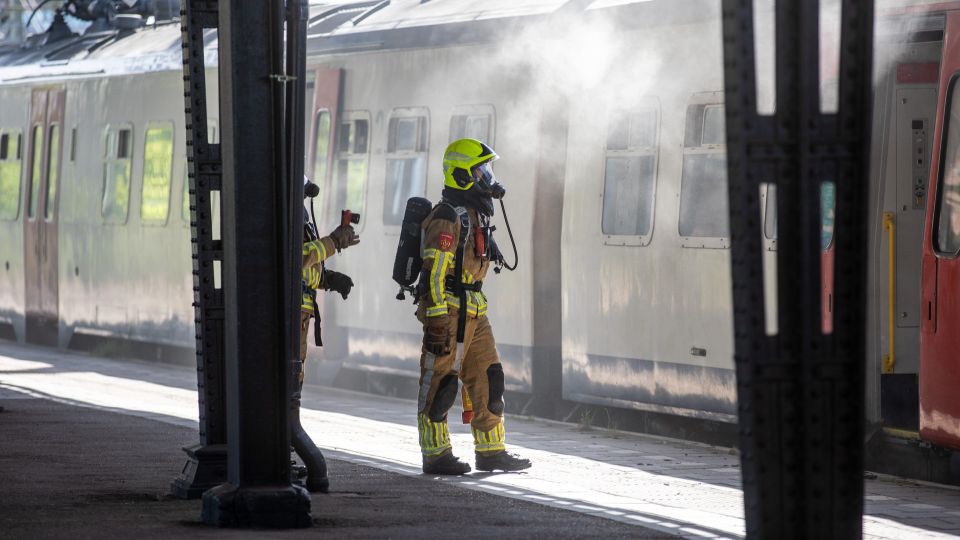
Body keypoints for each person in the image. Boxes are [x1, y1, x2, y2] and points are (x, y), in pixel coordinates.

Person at [416, 138, 531, 474]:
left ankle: (491, 451)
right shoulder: (446, 217)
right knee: (439, 384)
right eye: (481, 170)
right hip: (448, 311)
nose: (487, 177)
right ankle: (436, 454)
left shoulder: (475, 215)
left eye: (487, 170)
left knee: (489, 378)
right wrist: (437, 319)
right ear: (462, 175)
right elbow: (433, 273)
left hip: (476, 311)